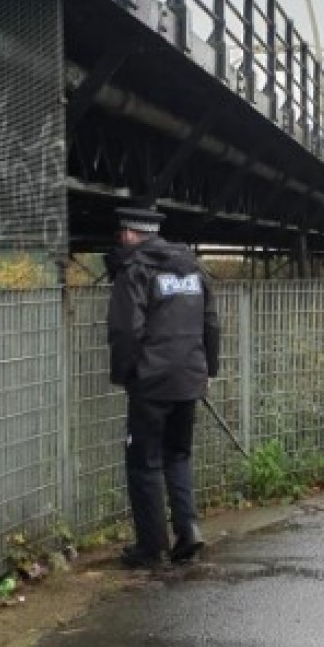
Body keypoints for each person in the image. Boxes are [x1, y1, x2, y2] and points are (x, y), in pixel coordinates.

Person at [105, 205, 221, 568]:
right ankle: (187, 530)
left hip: (151, 381)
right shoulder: (192, 268)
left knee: (145, 463)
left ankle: (151, 548)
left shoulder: (135, 271)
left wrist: (125, 374)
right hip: (190, 378)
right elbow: (211, 324)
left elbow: (126, 330)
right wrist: (208, 371)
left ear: (128, 234)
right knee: (178, 455)